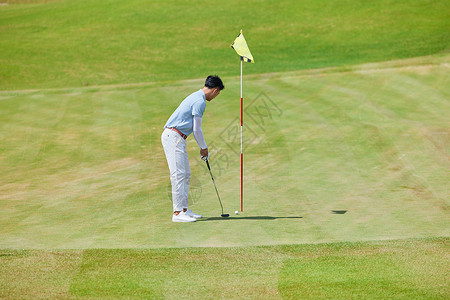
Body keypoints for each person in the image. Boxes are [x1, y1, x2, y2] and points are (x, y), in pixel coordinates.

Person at [161, 75, 225, 222]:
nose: (216, 96)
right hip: (173, 136)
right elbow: (197, 129)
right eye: (218, 93)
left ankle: (184, 209)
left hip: (178, 138)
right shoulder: (200, 101)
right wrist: (204, 148)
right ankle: (177, 213)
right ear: (215, 90)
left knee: (186, 174)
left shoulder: (197, 96)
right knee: (178, 175)